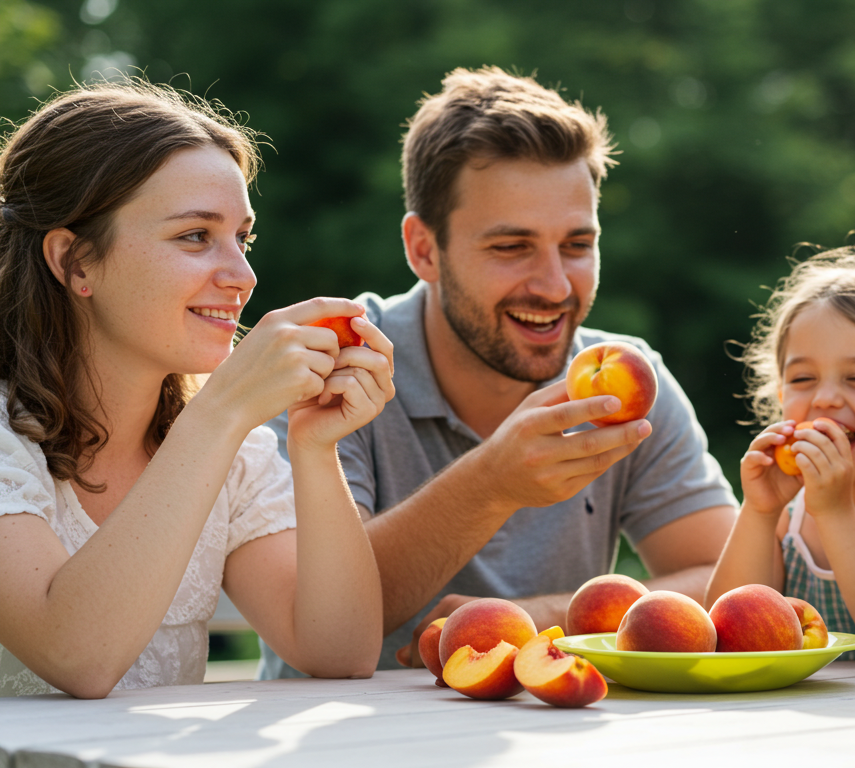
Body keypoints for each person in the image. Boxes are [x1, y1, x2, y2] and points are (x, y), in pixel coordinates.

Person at [258, 67, 736, 678]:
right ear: (423, 250)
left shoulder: (627, 377)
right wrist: (491, 485)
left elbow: (729, 583)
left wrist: (534, 618)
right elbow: (316, 613)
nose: (555, 286)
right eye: (511, 247)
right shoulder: (334, 368)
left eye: (577, 245)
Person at [0, 81, 389, 698]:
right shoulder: (8, 440)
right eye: (194, 236)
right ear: (74, 262)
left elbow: (338, 651)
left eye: (244, 237)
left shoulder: (232, 447)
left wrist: (316, 447)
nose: (244, 275)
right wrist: (220, 411)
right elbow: (76, 656)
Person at [705, 245, 855, 665]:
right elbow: (724, 633)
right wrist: (760, 511)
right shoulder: (788, 516)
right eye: (803, 379)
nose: (824, 398)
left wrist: (836, 512)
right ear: (782, 397)